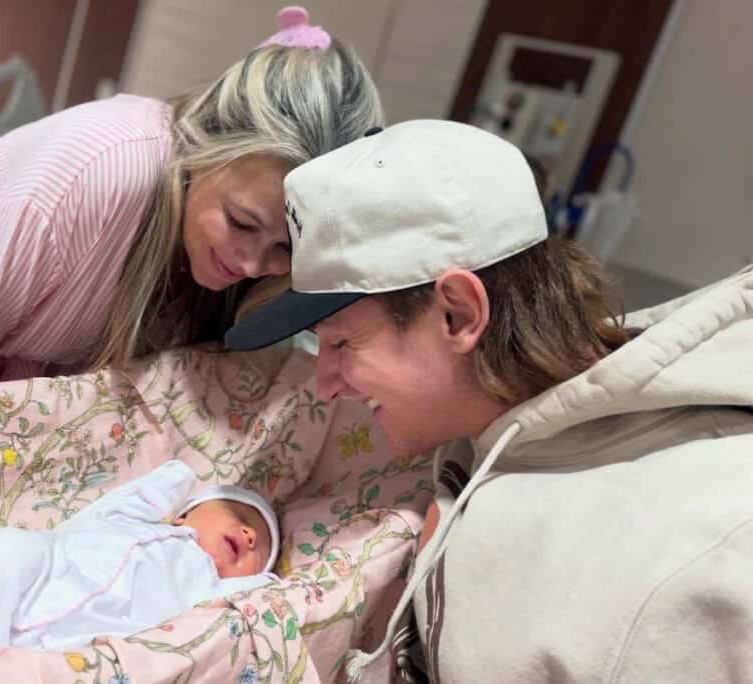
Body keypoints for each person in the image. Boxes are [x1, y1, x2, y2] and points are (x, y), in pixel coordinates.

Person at [226, 120, 753, 682]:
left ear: (458, 314)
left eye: (342, 342)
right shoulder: (496, 421)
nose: (326, 384)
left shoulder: (682, 570)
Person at [0, 6, 383, 384]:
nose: (249, 263)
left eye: (282, 249)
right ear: (208, 145)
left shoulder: (228, 259)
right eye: (242, 223)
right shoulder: (103, 169)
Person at [0, 459, 280, 655]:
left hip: (84, 636)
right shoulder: (130, 519)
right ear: (184, 514)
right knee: (6, 549)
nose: (249, 536)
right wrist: (179, 478)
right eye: (240, 517)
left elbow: (259, 596)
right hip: (43, 575)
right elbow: (142, 492)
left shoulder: (207, 592)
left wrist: (265, 581)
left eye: (260, 550)